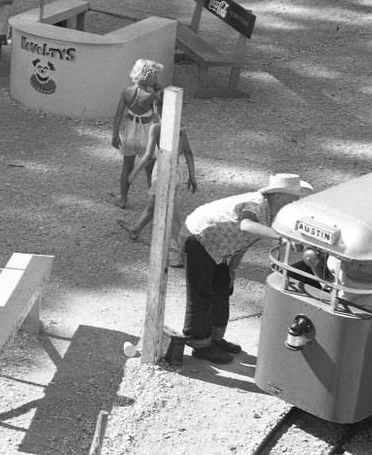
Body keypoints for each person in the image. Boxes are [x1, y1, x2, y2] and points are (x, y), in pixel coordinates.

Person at [182, 173, 313, 364]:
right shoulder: (257, 204)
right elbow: (246, 226)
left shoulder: (268, 213)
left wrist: (231, 269)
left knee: (222, 288)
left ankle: (215, 338)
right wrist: (283, 237)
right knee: (201, 292)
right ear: (277, 196)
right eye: (292, 198)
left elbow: (244, 241)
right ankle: (199, 343)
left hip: (215, 246)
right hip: (198, 237)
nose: (295, 202)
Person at [118, 124, 198, 267]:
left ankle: (186, 254)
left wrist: (133, 174)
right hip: (177, 171)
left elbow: (148, 155)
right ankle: (136, 228)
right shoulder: (181, 129)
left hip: (162, 171)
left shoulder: (157, 128)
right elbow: (189, 153)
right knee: (153, 203)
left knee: (173, 217)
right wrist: (192, 176)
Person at [112, 59, 163, 208]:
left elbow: (118, 115)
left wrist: (115, 135)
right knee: (150, 170)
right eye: (155, 76)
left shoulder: (126, 92)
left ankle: (123, 198)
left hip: (130, 130)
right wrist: (157, 90)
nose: (157, 79)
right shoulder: (151, 96)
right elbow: (158, 112)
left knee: (126, 166)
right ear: (148, 77)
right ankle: (153, 201)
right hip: (146, 132)